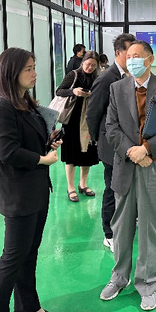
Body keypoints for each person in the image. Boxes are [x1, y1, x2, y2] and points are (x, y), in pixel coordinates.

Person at [99, 40, 156, 312]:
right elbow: (111, 127)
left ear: (149, 59)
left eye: (137, 56)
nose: (131, 60)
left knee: (150, 227)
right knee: (121, 226)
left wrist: (146, 149)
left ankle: (147, 283)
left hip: (155, 165)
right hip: (126, 165)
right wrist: (131, 151)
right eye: (129, 56)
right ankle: (119, 277)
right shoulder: (117, 88)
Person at [0, 48, 62, 312]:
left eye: (34, 67)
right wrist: (43, 159)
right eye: (28, 69)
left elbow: (25, 142)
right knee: (13, 258)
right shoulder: (2, 108)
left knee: (29, 254)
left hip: (36, 190)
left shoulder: (24, 103)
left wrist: (48, 142)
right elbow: (8, 152)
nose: (34, 73)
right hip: (19, 195)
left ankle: (29, 306)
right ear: (11, 72)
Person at [86, 33, 135, 253]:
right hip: (111, 145)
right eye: (129, 53)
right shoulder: (107, 79)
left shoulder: (131, 76)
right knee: (112, 189)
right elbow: (93, 113)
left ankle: (126, 221)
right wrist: (98, 140)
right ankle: (109, 233)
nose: (134, 58)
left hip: (129, 144)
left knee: (127, 186)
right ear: (118, 52)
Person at [56, 51, 100, 202]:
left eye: (93, 65)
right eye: (88, 64)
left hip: (88, 119)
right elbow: (59, 91)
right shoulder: (73, 75)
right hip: (72, 120)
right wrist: (73, 91)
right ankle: (70, 187)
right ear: (83, 62)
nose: (90, 68)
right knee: (71, 154)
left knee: (86, 152)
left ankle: (83, 184)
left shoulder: (96, 78)